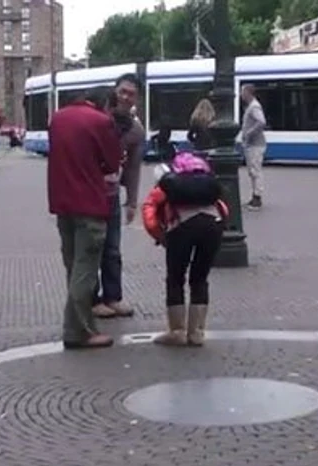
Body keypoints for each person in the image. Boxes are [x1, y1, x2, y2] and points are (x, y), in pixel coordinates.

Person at [48, 85, 123, 349]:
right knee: (85, 270)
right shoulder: (101, 121)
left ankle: (81, 324)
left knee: (72, 266)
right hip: (90, 203)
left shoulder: (58, 118)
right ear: (106, 104)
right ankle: (78, 331)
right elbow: (112, 163)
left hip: (62, 202)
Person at [142, 151, 227, 346]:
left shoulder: (169, 183)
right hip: (213, 225)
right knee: (200, 278)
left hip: (181, 227)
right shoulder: (206, 183)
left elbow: (149, 213)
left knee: (175, 277)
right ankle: (197, 333)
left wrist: (161, 236)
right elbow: (223, 208)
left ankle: (177, 331)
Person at [91, 73, 145, 319]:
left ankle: (113, 297)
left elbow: (133, 168)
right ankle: (91, 299)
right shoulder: (97, 119)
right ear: (114, 92)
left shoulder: (135, 130)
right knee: (91, 247)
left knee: (112, 249)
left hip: (111, 194)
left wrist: (132, 202)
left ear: (137, 99)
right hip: (89, 192)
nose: (125, 97)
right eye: (122, 91)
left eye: (131, 94)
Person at [240, 84, 267, 210]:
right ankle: (254, 196)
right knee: (253, 171)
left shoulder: (254, 107)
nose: (241, 95)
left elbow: (261, 122)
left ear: (248, 93)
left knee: (255, 171)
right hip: (252, 143)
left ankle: (257, 198)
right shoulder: (252, 106)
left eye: (242, 92)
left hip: (255, 144)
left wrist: (249, 133)